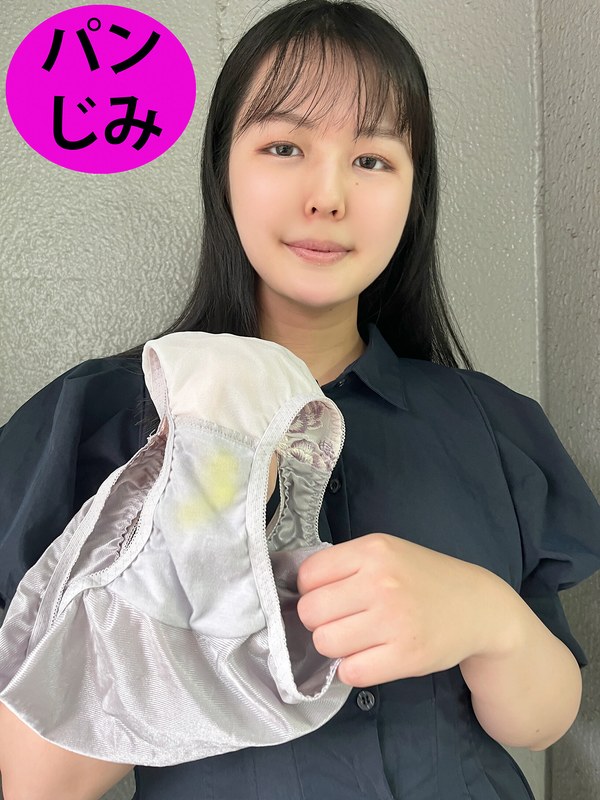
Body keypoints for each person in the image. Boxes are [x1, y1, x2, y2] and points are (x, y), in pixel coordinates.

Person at [1, 0, 599, 798]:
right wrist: (184, 544)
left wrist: (487, 616)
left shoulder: (492, 425)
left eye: (373, 159)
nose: (328, 196)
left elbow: (542, 723)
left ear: (414, 192)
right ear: (223, 168)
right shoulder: (98, 419)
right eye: (284, 147)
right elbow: (38, 782)